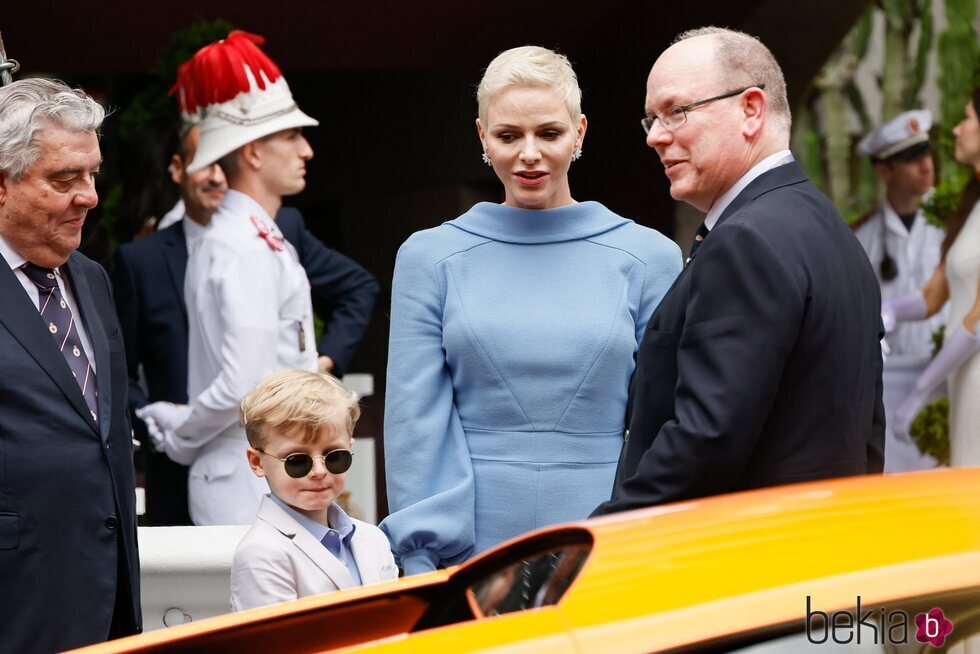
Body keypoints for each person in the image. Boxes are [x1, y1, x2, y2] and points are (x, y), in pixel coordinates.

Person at [381, 45, 682, 575]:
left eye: (548, 133)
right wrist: (421, 553)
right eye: (508, 135)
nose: (529, 154)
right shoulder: (429, 257)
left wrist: (656, 531)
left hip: (613, 534)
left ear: (580, 133)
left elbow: (667, 418)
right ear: (482, 137)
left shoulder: (649, 257)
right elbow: (415, 419)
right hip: (468, 542)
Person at [593, 27, 885, 517]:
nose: (656, 136)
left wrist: (599, 540)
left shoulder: (746, 240)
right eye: (651, 119)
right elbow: (866, 431)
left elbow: (706, 439)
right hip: (826, 549)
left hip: (748, 560)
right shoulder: (826, 225)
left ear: (751, 109)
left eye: (676, 111)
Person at [113, 122, 379, 525]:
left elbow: (357, 287)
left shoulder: (277, 231)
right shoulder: (143, 258)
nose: (217, 176)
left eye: (223, 162)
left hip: (265, 456)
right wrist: (155, 420)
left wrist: (320, 368)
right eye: (207, 163)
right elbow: (122, 361)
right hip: (180, 462)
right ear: (178, 168)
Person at [138, 31, 322, 525]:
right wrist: (180, 432)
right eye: (290, 135)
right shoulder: (239, 242)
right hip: (246, 475)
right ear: (254, 153)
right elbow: (244, 385)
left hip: (260, 467)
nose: (305, 149)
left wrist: (182, 427)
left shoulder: (252, 235)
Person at [0, 78, 141, 651]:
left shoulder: (91, 278)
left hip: (108, 601)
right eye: (64, 180)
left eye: (91, 175)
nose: (89, 196)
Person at [231, 369, 397, 611]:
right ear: (257, 462)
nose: (319, 470)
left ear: (350, 448)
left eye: (335, 457)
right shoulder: (261, 554)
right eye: (297, 460)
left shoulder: (373, 538)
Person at [885, 88, 980, 464]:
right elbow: (932, 296)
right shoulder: (971, 203)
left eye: (967, 117)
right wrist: (887, 309)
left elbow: (978, 319)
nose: (956, 129)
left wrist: (922, 388)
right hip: (963, 376)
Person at [852, 110, 945, 471]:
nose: (925, 166)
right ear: (884, 170)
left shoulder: (954, 224)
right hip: (889, 387)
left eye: (926, 154)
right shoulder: (861, 237)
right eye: (910, 159)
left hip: (944, 373)